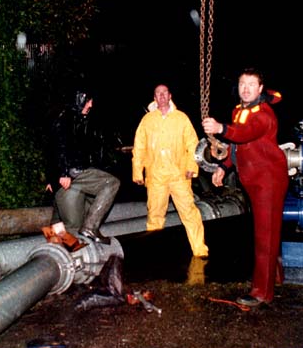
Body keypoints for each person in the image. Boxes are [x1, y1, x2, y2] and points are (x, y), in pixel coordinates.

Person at [201, 68, 289, 307]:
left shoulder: (264, 114)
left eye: (252, 84)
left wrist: (220, 128)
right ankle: (275, 277)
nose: (246, 88)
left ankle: (262, 292)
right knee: (268, 232)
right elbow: (237, 145)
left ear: (261, 89)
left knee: (264, 236)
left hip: (268, 180)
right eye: (242, 84)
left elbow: (245, 133)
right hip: (253, 179)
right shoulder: (239, 110)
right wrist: (223, 166)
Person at [132, 84, 209, 258]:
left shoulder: (181, 118)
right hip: (156, 176)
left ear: (169, 96)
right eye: (158, 93)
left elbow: (193, 144)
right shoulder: (147, 120)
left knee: (189, 212)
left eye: (164, 93)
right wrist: (137, 172)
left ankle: (200, 250)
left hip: (179, 175)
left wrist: (192, 166)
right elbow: (139, 147)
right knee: (155, 215)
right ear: (155, 97)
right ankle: (154, 254)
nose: (161, 96)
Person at [46, 88, 120, 245]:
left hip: (70, 179)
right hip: (73, 174)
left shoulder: (76, 119)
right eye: (88, 101)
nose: (91, 105)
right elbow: (58, 145)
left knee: (68, 225)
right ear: (80, 99)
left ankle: (55, 251)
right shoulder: (65, 118)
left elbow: (54, 148)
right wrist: (63, 172)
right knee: (112, 183)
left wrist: (52, 177)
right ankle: (90, 228)